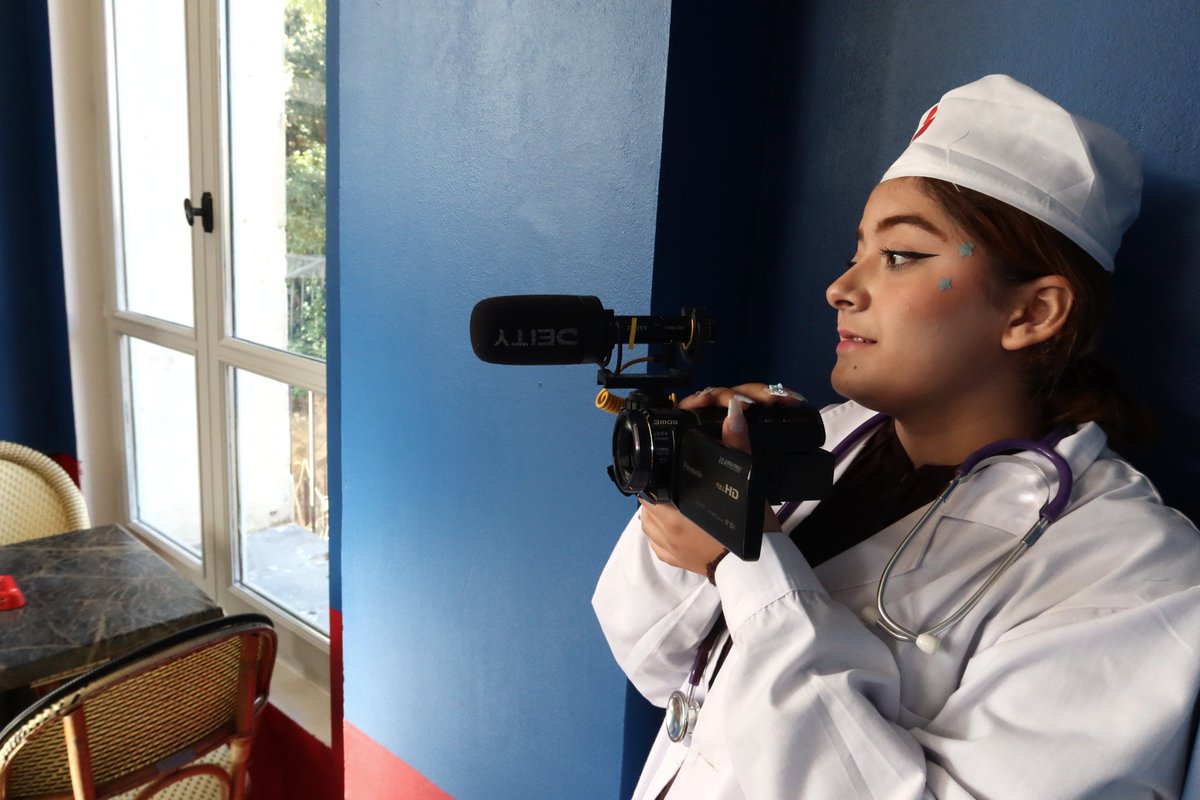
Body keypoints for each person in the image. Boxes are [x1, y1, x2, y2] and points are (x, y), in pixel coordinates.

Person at [592, 74, 1200, 799]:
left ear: (1033, 313)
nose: (841, 287)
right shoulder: (824, 441)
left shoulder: (1133, 571)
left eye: (901, 256)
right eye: (857, 250)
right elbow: (661, 667)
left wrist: (743, 560)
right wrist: (691, 488)